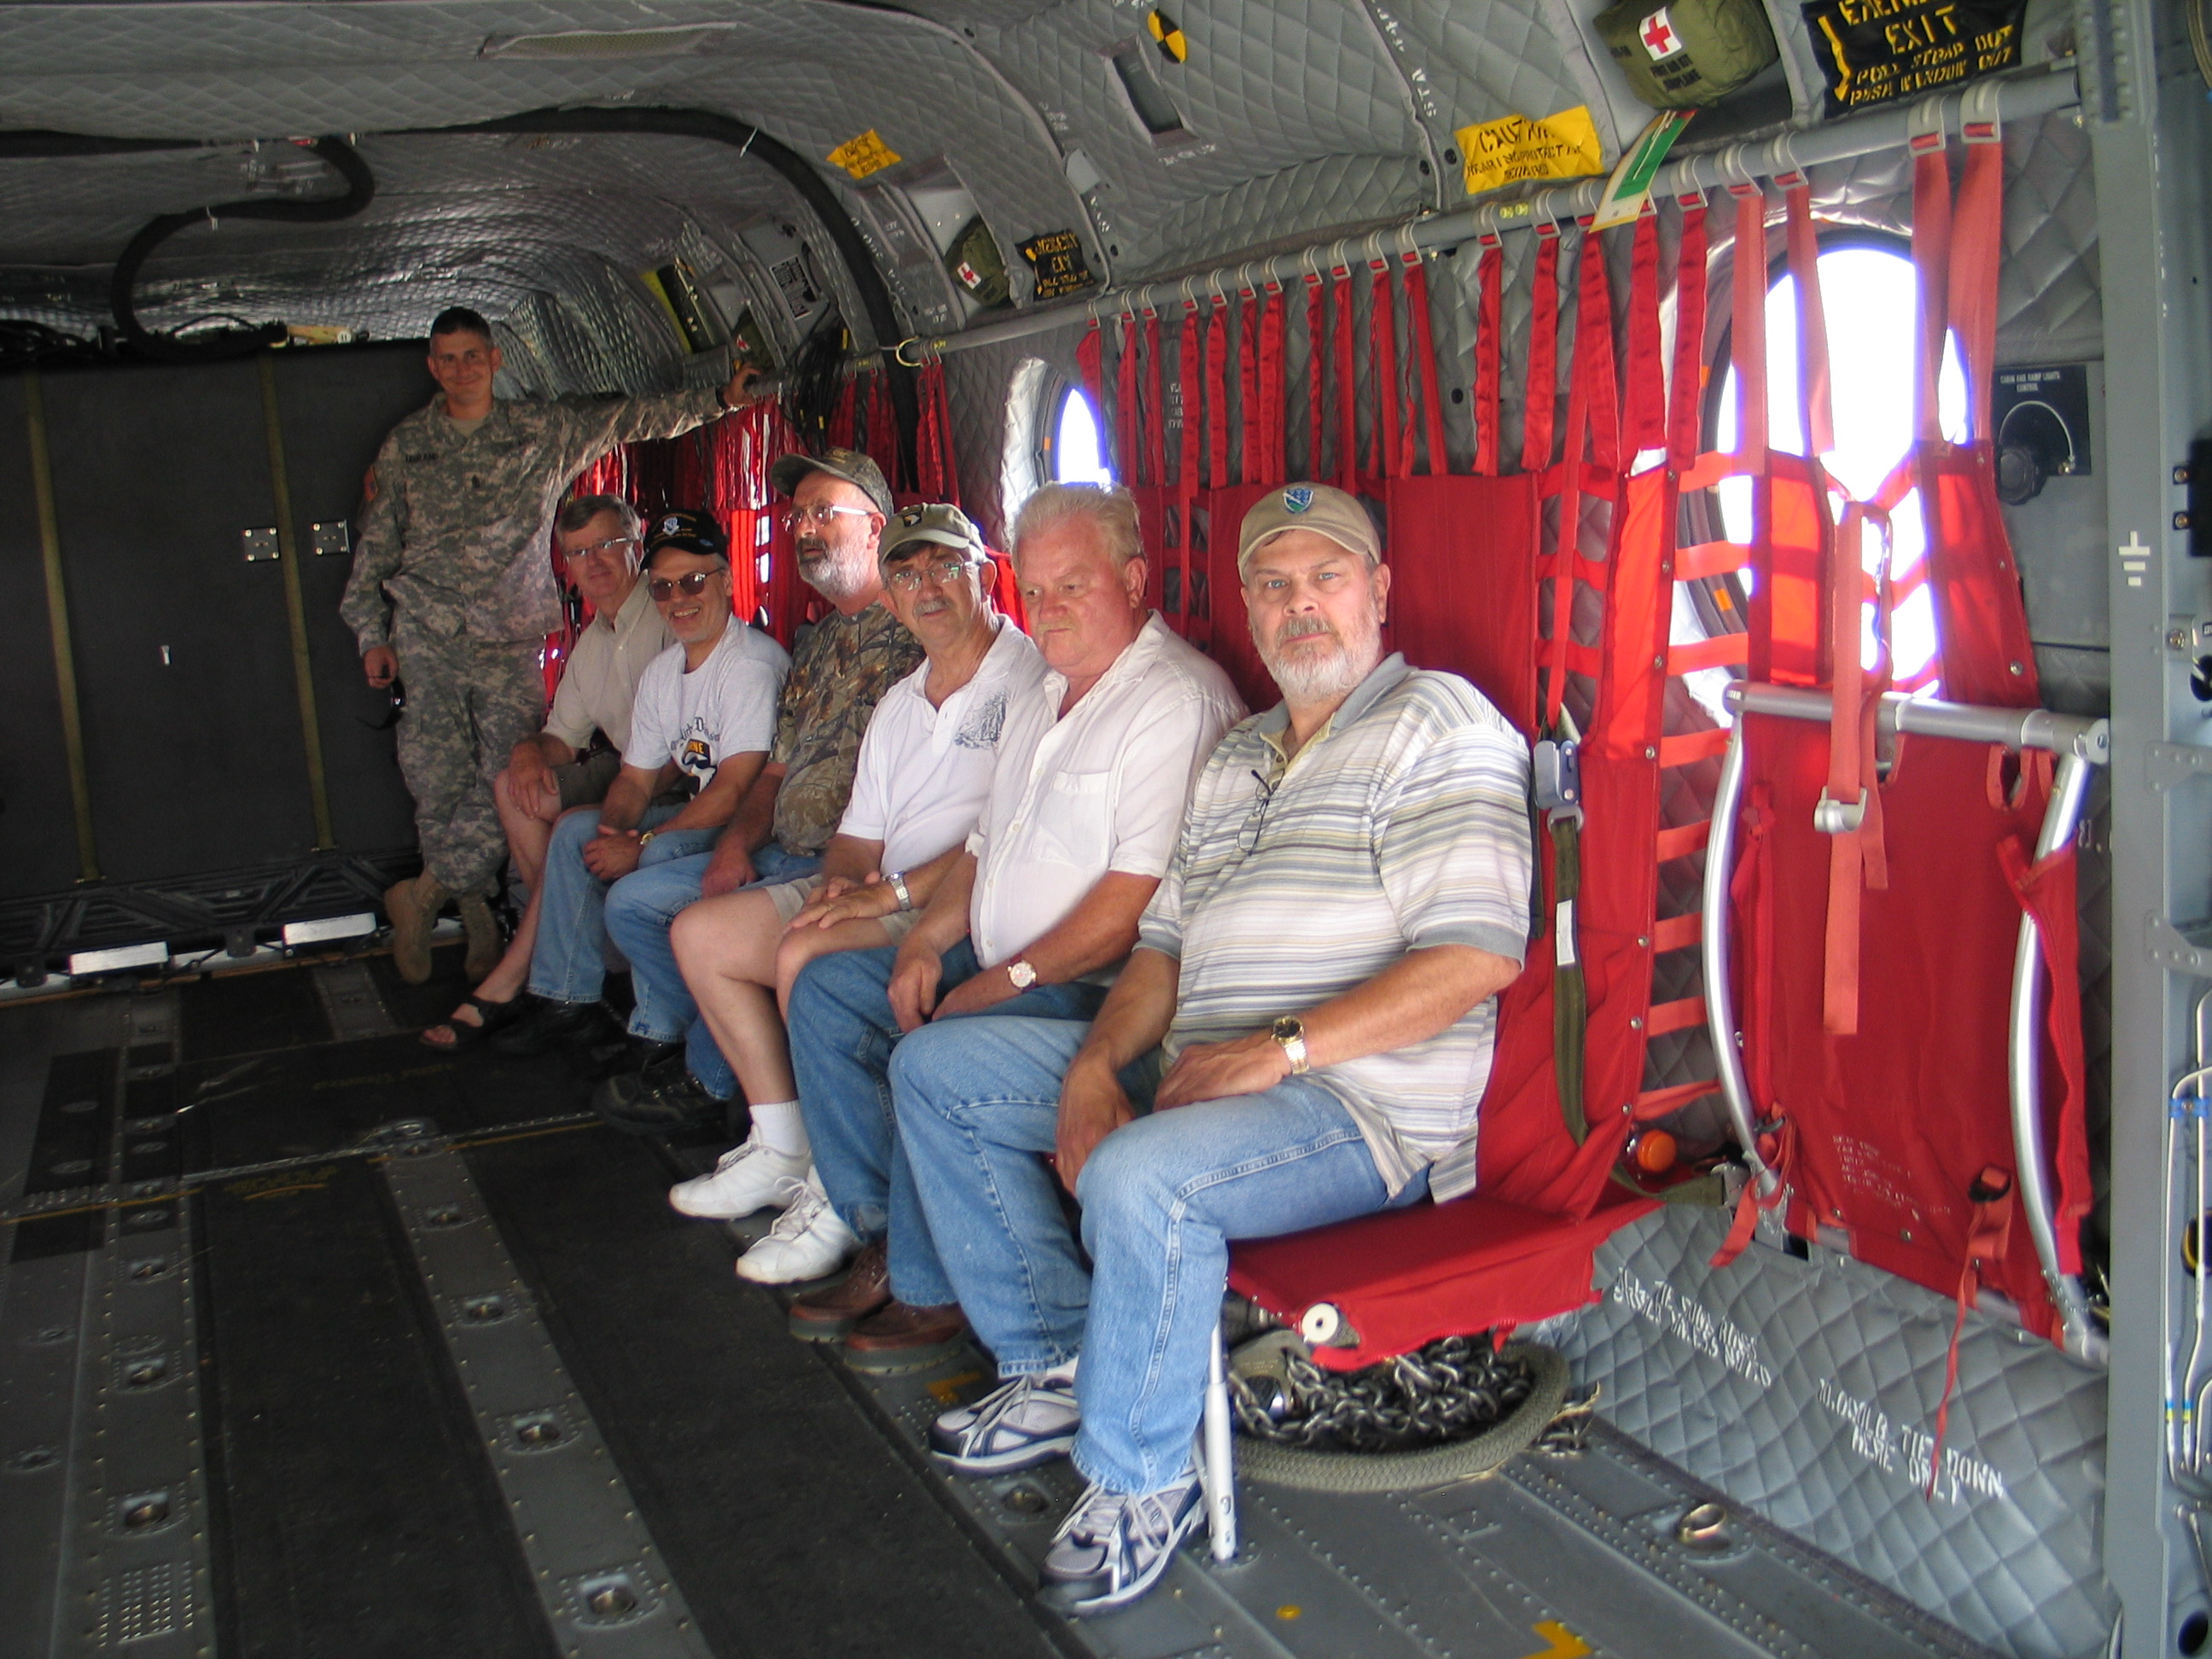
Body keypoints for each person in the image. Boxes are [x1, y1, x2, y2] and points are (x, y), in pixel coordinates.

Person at [893, 483, 1533, 1612]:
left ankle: (1142, 1476)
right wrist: (1096, 1066)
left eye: (1326, 579)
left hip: (1353, 1110)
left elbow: (1476, 958)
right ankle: (1057, 1357)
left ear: (1379, 591)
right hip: (1200, 1068)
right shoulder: (1238, 756)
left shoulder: (1438, 723)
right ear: (1246, 606)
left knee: (1146, 1176)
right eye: (1273, 586)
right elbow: (1161, 948)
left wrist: (1277, 1051)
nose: (1301, 606)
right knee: (936, 1072)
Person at [774, 482, 1244, 1373]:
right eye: (1036, 589)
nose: (1050, 607)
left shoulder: (1174, 699)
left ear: (1134, 579)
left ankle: (934, 1286)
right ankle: (888, 1236)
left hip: (1099, 993)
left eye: (1074, 585)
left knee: (934, 1052)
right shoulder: (1046, 689)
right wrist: (923, 941)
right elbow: (983, 849)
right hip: (999, 962)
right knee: (829, 990)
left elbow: (1133, 906)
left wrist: (999, 983)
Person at [663, 504, 1045, 1283]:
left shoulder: (1031, 681)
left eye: (944, 567)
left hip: (952, 902)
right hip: (881, 887)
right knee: (699, 935)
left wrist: (883, 896)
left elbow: (1000, 836)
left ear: (984, 574)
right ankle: (783, 1142)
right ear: (891, 596)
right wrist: (839, 883)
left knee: (806, 952)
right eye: (906, 574)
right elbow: (858, 833)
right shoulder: (901, 701)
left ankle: (836, 1188)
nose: (926, 587)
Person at [341, 305, 757, 983]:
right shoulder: (407, 446)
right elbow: (377, 546)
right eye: (448, 359)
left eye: (472, 356)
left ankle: (428, 894)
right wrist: (371, 635)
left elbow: (629, 418)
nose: (461, 370)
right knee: (436, 784)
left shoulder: (541, 430)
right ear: (432, 368)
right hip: (425, 633)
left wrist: (718, 400)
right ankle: (475, 909)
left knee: (508, 780)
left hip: (507, 638)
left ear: (495, 359)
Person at [587, 450, 923, 1126]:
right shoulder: (817, 644)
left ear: (875, 526)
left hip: (853, 861)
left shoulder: (919, 634)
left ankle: (712, 1080)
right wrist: (734, 848)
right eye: (798, 516)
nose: (805, 528)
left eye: (824, 512)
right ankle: (734, 1052)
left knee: (701, 929)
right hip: (779, 848)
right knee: (635, 905)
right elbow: (772, 772)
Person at [500, 510, 788, 1049]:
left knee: (657, 855)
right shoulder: (665, 671)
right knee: (576, 833)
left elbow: (736, 790)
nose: (679, 599)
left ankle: (658, 1033)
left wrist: (641, 843)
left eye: (693, 581)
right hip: (705, 813)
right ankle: (567, 999)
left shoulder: (748, 665)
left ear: (727, 581)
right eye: (663, 587)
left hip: (752, 826)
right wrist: (613, 832)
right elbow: (634, 779)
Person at [421, 494, 671, 1050]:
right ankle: (567, 945)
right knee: (515, 789)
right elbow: (561, 739)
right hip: (625, 768)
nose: (594, 562)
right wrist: (528, 753)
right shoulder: (595, 639)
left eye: (607, 545)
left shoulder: (666, 613)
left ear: (636, 543)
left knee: (570, 828)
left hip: (672, 778)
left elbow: (684, 753)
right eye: (579, 552)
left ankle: (517, 977)